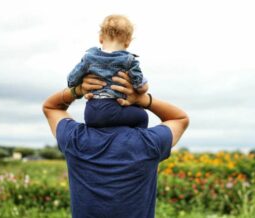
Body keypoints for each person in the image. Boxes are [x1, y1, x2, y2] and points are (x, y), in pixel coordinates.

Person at [42, 72, 189, 218]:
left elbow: (52, 107)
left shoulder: (75, 139)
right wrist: (143, 100)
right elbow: (180, 118)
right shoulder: (148, 143)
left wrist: (77, 90)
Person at [67, 14, 149, 128]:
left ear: (100, 38)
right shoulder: (129, 60)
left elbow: (71, 80)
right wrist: (143, 87)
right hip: (114, 109)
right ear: (128, 42)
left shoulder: (88, 58)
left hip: (90, 113)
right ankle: (136, 142)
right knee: (142, 116)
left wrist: (80, 85)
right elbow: (140, 87)